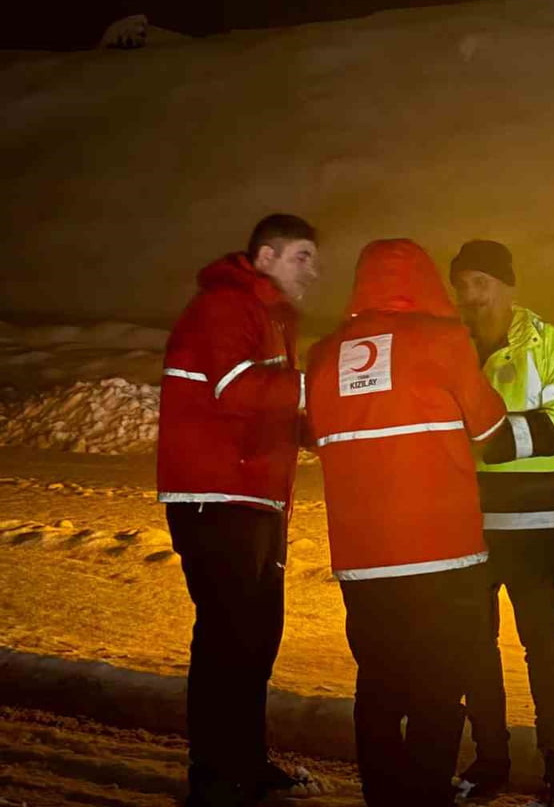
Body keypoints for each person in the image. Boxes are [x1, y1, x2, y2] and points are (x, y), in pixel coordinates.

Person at [305, 239, 508, 807]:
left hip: (362, 559)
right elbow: (489, 431)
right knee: (438, 692)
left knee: (377, 688)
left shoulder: (324, 355)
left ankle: (382, 797)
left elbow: (314, 433)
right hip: (443, 553)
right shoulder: (443, 342)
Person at [157, 214, 318, 807]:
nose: (314, 270)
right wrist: (314, 386)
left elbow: (267, 404)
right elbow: (235, 388)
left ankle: (243, 761)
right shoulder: (226, 307)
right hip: (215, 498)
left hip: (256, 498)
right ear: (268, 255)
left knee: (255, 638)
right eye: (303, 256)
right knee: (228, 637)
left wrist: (317, 429)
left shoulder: (271, 318)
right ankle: (215, 772)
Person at [449, 240, 554, 807]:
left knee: (543, 646)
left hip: (536, 528)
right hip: (467, 527)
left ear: (508, 286)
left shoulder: (550, 345)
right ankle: (490, 760)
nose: (469, 295)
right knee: (475, 649)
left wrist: (496, 439)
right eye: (461, 284)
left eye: (480, 282)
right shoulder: (448, 345)